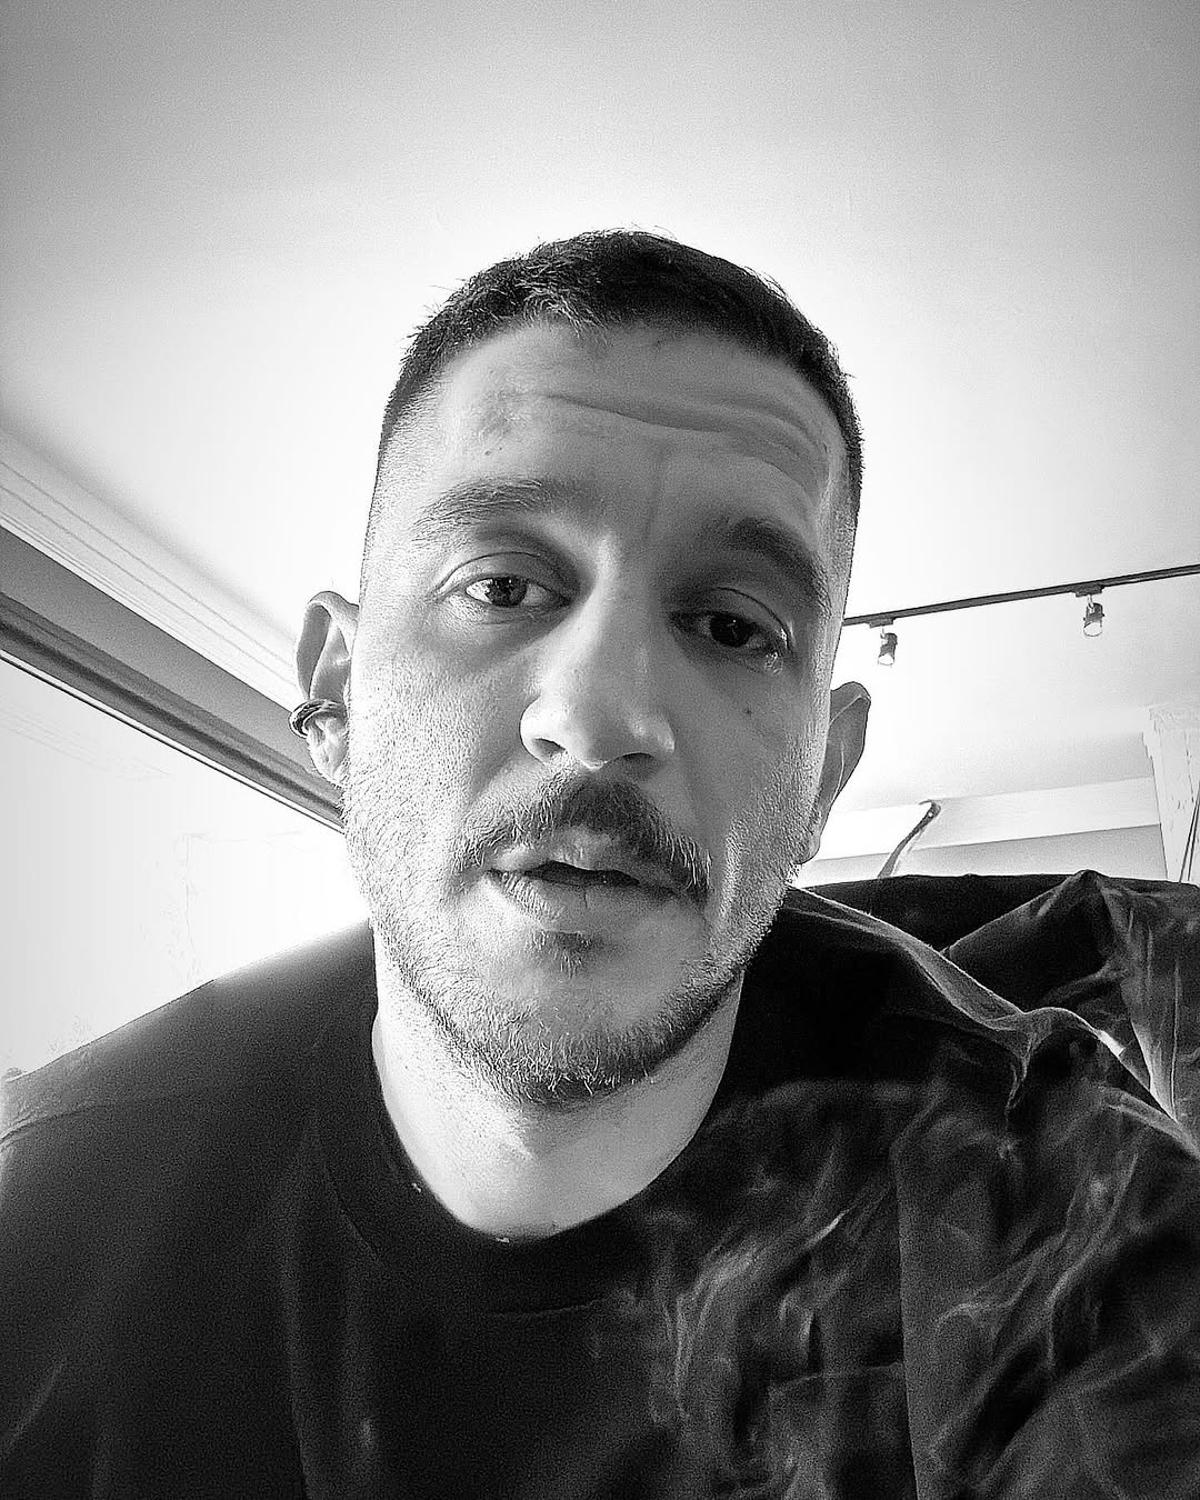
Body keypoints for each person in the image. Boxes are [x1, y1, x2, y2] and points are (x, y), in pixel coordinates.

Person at [2, 230, 1198, 1498]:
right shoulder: (51, 1217)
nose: (601, 714)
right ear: (338, 690)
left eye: (732, 625)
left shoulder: (1062, 1212)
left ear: (826, 774)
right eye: (502, 586)